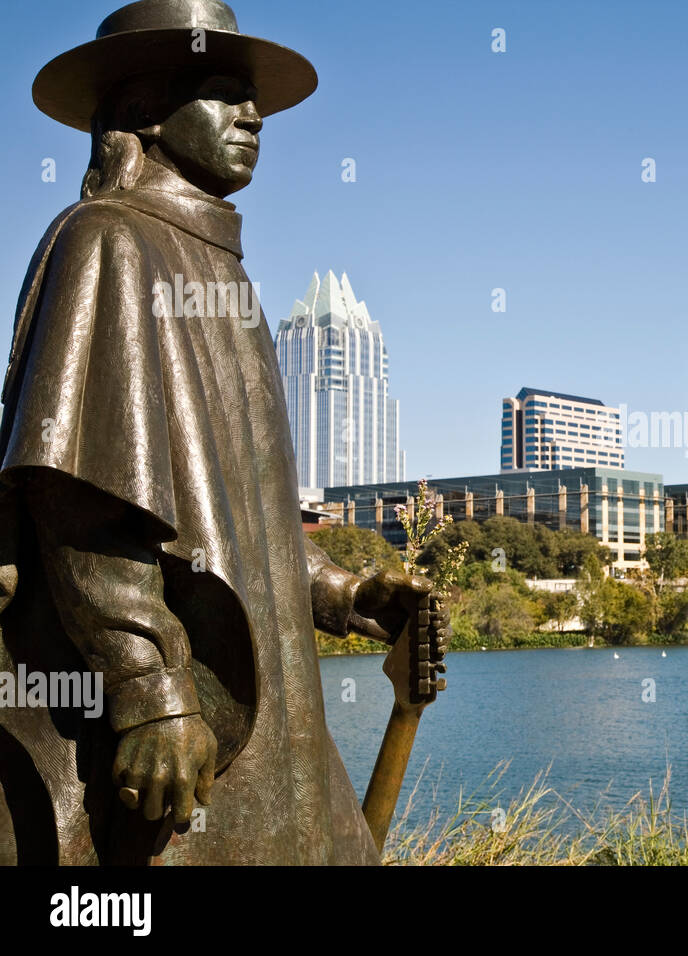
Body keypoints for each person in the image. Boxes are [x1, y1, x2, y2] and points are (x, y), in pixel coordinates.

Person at [0, 0, 443, 865]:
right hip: (175, 720)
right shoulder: (106, 242)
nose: (253, 116)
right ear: (147, 111)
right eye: (221, 93)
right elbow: (79, 498)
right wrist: (151, 685)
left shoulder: (227, 281)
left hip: (273, 715)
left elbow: (249, 516)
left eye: (255, 101)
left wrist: (342, 595)